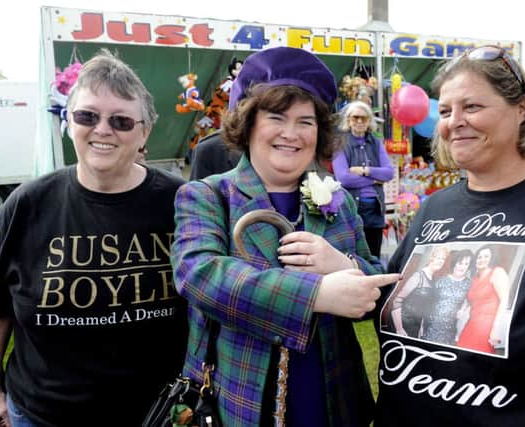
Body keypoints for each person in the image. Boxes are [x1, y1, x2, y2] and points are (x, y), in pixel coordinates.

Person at [171, 46, 399, 427]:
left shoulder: (338, 201)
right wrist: (317, 295)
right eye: (276, 117)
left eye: (306, 122)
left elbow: (375, 287)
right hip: (239, 403)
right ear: (249, 124)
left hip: (334, 403)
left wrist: (343, 265)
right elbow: (200, 275)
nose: (291, 134)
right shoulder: (208, 195)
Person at [375, 45, 525, 426]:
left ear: (521, 109)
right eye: (444, 111)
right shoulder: (434, 207)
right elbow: (396, 298)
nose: (454, 121)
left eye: (472, 107)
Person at [0, 49, 188, 427]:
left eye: (121, 121)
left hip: (157, 415)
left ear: (144, 131)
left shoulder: (182, 203)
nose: (102, 129)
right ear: (69, 120)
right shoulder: (26, 205)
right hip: (43, 415)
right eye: (87, 116)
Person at [333, 100, 395, 258]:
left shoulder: (376, 143)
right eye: (355, 118)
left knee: (374, 255)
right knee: (353, 256)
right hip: (352, 208)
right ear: (348, 120)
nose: (359, 121)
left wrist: (364, 170)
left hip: (375, 209)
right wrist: (374, 179)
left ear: (369, 121)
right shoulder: (340, 143)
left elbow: (388, 173)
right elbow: (344, 178)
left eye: (364, 118)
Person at [455, 244, 509, 353]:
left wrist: (495, 328)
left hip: (486, 327)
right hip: (471, 324)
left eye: (486, 256)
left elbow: (504, 300)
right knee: (461, 353)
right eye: (479, 257)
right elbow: (471, 299)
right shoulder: (474, 278)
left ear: (491, 258)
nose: (482, 259)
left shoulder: (497, 272)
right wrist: (463, 309)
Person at [389, 246, 448, 338]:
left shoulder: (432, 279)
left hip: (415, 325)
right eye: (438, 258)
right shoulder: (418, 276)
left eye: (443, 259)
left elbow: (424, 306)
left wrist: (421, 326)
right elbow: (397, 301)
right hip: (402, 323)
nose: (441, 261)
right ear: (431, 258)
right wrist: (399, 329)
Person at [421, 249, 474, 344]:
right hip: (431, 326)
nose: (462, 267)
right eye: (460, 263)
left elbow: (472, 300)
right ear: (455, 263)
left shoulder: (469, 284)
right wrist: (421, 325)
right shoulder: (441, 280)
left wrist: (464, 309)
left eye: (466, 264)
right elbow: (427, 303)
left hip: (449, 330)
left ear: (469, 267)